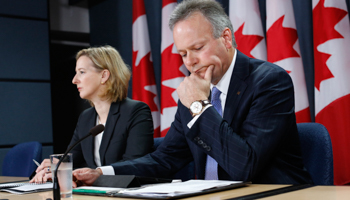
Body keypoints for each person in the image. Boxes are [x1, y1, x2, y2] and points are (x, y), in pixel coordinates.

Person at [72, 0, 312, 186]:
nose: (191, 62)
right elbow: (165, 158)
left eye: (198, 48)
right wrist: (102, 173)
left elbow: (244, 167)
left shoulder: (269, 81)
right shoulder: (193, 92)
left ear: (226, 38)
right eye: (184, 54)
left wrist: (199, 105)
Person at [30, 45, 154, 183]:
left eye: (81, 72)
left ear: (104, 76)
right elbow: (73, 161)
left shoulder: (136, 111)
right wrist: (53, 169)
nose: (74, 80)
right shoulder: (86, 117)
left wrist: (91, 175)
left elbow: (134, 166)